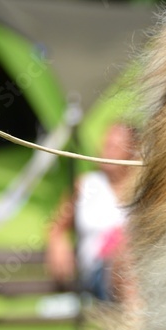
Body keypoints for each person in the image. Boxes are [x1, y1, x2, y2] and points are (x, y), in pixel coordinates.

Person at [47, 122, 140, 302]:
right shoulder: (85, 185)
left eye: (115, 147)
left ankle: (135, 313)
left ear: (131, 153)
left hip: (139, 269)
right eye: (106, 145)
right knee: (126, 255)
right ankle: (135, 316)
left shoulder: (141, 190)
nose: (107, 151)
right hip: (98, 273)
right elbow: (57, 226)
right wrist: (58, 242)